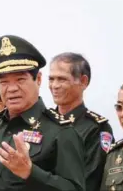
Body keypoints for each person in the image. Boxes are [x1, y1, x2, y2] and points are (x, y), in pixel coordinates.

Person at [0, 35, 85, 191]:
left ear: (38, 79)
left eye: (20, 80)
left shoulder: (61, 131)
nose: (11, 89)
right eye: (4, 82)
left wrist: (30, 173)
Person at [48, 52, 114, 191]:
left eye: (62, 79)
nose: (55, 85)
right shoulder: (42, 122)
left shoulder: (96, 128)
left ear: (83, 81)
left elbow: (88, 181)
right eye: (51, 79)